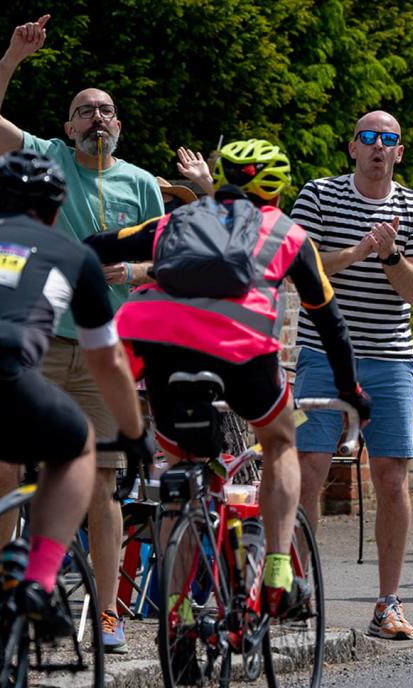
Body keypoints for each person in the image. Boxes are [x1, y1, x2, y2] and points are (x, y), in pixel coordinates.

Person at [83, 138, 371, 617]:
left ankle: (176, 613)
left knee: (180, 469)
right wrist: (350, 390)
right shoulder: (288, 234)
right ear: (276, 191)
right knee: (280, 441)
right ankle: (279, 567)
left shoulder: (175, 221)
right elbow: (331, 323)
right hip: (243, 351)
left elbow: (97, 247)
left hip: (163, 348)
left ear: (221, 179)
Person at [0, 151, 152, 688]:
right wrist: (132, 435)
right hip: (4, 377)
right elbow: (107, 360)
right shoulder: (71, 253)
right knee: (77, 444)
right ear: (55, 214)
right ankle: (37, 578)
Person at [0, 14, 164, 652]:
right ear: (67, 126)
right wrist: (13, 57)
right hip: (40, 344)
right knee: (5, 470)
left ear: (120, 126)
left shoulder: (139, 184)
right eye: (84, 112)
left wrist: (132, 269)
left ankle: (106, 615)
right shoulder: (45, 157)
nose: (96, 119)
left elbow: (169, 261)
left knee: (102, 485)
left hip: (107, 351)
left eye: (105, 111)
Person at [290, 110, 413, 640]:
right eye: (370, 138)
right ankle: (299, 589)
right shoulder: (319, 195)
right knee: (307, 468)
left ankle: (388, 603)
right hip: (323, 354)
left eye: (389, 139)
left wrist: (392, 254)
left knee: (392, 477)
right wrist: (357, 252)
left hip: (391, 358)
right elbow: (298, 265)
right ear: (352, 147)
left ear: (400, 151)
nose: (379, 146)